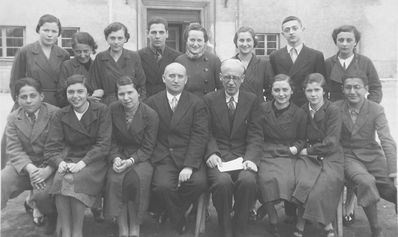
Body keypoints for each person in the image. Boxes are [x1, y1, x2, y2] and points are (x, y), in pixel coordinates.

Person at [45, 75, 111, 237]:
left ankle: (77, 231)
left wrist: (83, 163)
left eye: (80, 91)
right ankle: (66, 231)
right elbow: (51, 147)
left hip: (94, 160)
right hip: (68, 157)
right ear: (66, 94)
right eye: (71, 92)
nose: (75, 96)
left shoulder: (101, 110)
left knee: (74, 179)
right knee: (61, 177)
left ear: (88, 92)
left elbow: (104, 144)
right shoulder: (60, 114)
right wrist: (59, 162)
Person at [145, 62, 208, 234]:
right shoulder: (152, 102)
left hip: (188, 155)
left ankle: (168, 211)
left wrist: (189, 165)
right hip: (164, 156)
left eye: (180, 76)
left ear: (186, 80)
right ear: (163, 78)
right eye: (171, 76)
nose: (175, 80)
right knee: (162, 186)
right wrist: (157, 157)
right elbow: (150, 135)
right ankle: (178, 218)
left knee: (199, 183)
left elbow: (199, 135)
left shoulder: (196, 103)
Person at [203, 59, 262, 237]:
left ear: (242, 79)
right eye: (227, 77)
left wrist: (251, 158)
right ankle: (225, 225)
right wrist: (212, 152)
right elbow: (205, 132)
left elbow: (256, 134)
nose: (231, 82)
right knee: (222, 183)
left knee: (248, 181)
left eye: (235, 78)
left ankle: (240, 224)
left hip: (242, 156)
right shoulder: (209, 100)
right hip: (219, 156)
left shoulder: (251, 100)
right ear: (220, 77)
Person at [335, 71, 396, 237]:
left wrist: (394, 172)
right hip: (347, 156)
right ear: (342, 89)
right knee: (366, 181)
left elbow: (387, 140)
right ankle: (376, 228)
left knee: (394, 188)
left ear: (366, 89)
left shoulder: (376, 109)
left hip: (372, 154)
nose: (352, 91)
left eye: (357, 87)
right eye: (348, 87)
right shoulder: (335, 108)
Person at [1, 78, 58, 234]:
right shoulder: (13, 118)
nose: (28, 100)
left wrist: (48, 169)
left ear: (42, 96)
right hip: (24, 165)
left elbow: (61, 146)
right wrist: (31, 169)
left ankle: (48, 214)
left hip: (49, 166)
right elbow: (13, 149)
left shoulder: (55, 114)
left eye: (33, 96)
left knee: (43, 196)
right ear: (17, 99)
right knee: (1, 181)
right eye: (23, 97)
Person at [104, 76, 159, 237]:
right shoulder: (113, 109)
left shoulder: (150, 114)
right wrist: (115, 158)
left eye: (130, 93)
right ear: (117, 95)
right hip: (119, 155)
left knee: (135, 181)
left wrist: (131, 161)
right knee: (115, 179)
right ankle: (122, 227)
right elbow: (110, 139)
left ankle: (135, 226)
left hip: (141, 157)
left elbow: (148, 147)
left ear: (139, 93)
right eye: (121, 94)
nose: (126, 98)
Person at [292, 73, 344, 237]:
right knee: (302, 181)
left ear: (324, 91)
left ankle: (321, 222)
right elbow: (299, 136)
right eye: (309, 90)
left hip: (330, 155)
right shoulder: (302, 110)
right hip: (307, 156)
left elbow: (332, 142)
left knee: (322, 184)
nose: (313, 94)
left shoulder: (333, 110)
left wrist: (309, 151)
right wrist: (303, 149)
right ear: (304, 92)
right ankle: (322, 222)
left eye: (317, 90)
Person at [257, 74, 307, 237]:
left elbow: (302, 138)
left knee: (291, 180)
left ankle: (293, 215)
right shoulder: (262, 109)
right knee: (264, 178)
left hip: (288, 152)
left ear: (292, 91)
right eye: (276, 90)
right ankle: (272, 216)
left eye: (285, 90)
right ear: (271, 91)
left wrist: (295, 148)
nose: (281, 94)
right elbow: (256, 133)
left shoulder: (299, 113)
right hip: (266, 151)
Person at [9, 14, 70, 107]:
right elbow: (15, 81)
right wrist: (21, 102)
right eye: (46, 30)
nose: (50, 35)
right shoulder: (25, 51)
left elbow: (65, 84)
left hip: (56, 104)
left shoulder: (64, 54)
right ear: (38, 30)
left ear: (58, 33)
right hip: (31, 102)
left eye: (54, 31)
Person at [269, 16, 325, 107]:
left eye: (295, 28)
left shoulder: (316, 56)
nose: (291, 32)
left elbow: (321, 85)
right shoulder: (275, 56)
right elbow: (272, 84)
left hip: (307, 106)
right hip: (283, 105)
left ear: (302, 29)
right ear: (283, 34)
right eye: (287, 30)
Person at [89, 22, 146, 105]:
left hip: (129, 103)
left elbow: (142, 85)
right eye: (112, 38)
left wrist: (138, 104)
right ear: (107, 39)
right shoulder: (100, 58)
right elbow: (95, 85)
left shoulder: (134, 57)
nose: (116, 42)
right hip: (107, 105)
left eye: (120, 38)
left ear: (125, 39)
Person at [325, 25, 382, 103]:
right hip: (335, 110)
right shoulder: (328, 63)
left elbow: (376, 89)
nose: (344, 44)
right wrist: (329, 109)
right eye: (341, 40)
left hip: (358, 110)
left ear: (355, 42)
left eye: (349, 40)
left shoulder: (365, 62)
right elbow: (323, 90)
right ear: (336, 42)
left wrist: (368, 108)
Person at [175, 23, 222, 97]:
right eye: (192, 40)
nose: (195, 44)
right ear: (186, 41)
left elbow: (221, 89)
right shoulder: (179, 61)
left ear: (204, 42)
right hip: (187, 106)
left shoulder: (214, 60)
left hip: (207, 106)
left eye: (199, 40)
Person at [138, 16, 182, 97]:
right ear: (147, 34)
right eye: (154, 32)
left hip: (168, 103)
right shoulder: (138, 56)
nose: (157, 36)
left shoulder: (177, 57)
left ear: (167, 34)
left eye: (161, 32)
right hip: (146, 103)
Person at [58, 32, 98, 107]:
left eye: (86, 51)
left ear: (92, 48)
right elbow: (61, 95)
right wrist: (86, 99)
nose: (82, 55)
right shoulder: (67, 66)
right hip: (72, 110)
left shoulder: (97, 66)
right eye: (78, 52)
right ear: (73, 49)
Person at [232, 26, 273, 100]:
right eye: (241, 40)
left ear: (254, 42)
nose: (245, 44)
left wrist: (266, 109)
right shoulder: (230, 64)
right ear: (236, 42)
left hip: (257, 109)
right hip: (235, 110)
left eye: (248, 40)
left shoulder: (264, 65)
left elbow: (270, 91)